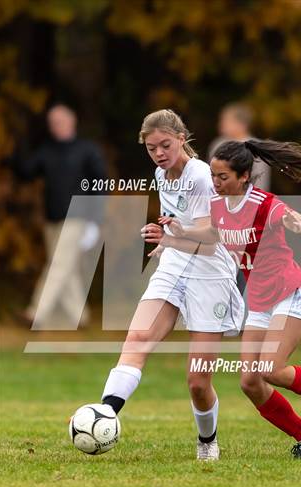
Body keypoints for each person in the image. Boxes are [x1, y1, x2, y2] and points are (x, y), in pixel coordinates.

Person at [158, 139, 301, 458]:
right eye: (212, 175)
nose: (215, 183)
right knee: (250, 381)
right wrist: (174, 235)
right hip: (259, 300)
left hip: (288, 292)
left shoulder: (265, 204)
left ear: (243, 176)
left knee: (270, 368)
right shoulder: (216, 207)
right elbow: (210, 237)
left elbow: (296, 221)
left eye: (222, 177)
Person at [100, 109, 244, 461]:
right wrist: (163, 243)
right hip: (176, 264)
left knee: (198, 382)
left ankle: (207, 439)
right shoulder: (161, 176)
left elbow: (211, 236)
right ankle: (104, 414)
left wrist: (172, 233)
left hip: (211, 272)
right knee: (137, 338)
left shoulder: (200, 176)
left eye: (165, 145)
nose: (159, 154)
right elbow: (176, 226)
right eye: (152, 148)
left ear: (182, 138)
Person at [11, 104, 106, 328]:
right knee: (66, 269)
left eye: (60, 121)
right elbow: (26, 172)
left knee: (57, 266)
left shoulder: (87, 150)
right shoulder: (47, 150)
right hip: (51, 218)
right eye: (52, 122)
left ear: (72, 122)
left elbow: (100, 184)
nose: (56, 126)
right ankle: (80, 317)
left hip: (78, 217)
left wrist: (96, 220)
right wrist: (17, 146)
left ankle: (36, 314)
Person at [207, 102, 271, 192]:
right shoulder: (218, 144)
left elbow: (261, 181)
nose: (221, 124)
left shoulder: (256, 147)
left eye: (226, 121)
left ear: (241, 124)